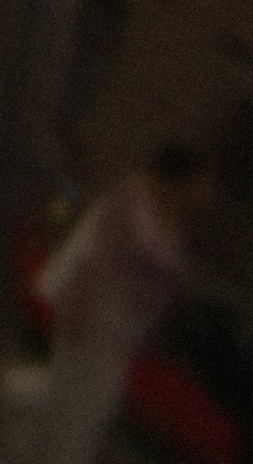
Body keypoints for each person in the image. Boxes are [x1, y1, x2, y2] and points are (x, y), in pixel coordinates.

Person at [29, 146, 215, 464]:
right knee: (72, 405)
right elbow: (97, 251)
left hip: (123, 330)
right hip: (98, 308)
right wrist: (81, 302)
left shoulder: (171, 217)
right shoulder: (134, 199)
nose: (207, 192)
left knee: (91, 408)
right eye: (203, 181)